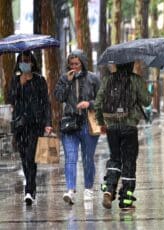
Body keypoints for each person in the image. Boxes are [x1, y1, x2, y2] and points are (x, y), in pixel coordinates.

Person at [95, 62, 152, 211]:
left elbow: (98, 103)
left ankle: (109, 188)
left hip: (112, 127)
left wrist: (101, 122)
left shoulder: (107, 79)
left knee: (115, 158)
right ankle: (126, 200)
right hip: (129, 127)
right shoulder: (136, 79)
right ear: (132, 65)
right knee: (129, 162)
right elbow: (147, 101)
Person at [54, 49, 101, 205]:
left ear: (82, 63)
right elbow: (59, 97)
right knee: (70, 158)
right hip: (70, 124)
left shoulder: (93, 78)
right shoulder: (64, 78)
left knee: (88, 158)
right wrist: (66, 82)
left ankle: (88, 188)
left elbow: (102, 100)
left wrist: (89, 104)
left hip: (88, 124)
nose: (73, 66)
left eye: (76, 63)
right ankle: (70, 190)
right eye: (71, 64)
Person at [8, 51, 52, 205]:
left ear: (33, 62)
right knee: (24, 158)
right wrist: (20, 83)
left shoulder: (40, 80)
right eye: (22, 60)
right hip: (20, 125)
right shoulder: (15, 80)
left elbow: (46, 102)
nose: (25, 63)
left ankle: (29, 190)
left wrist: (48, 123)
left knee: (31, 157)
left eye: (27, 60)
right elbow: (11, 99)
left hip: (35, 125)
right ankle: (31, 187)